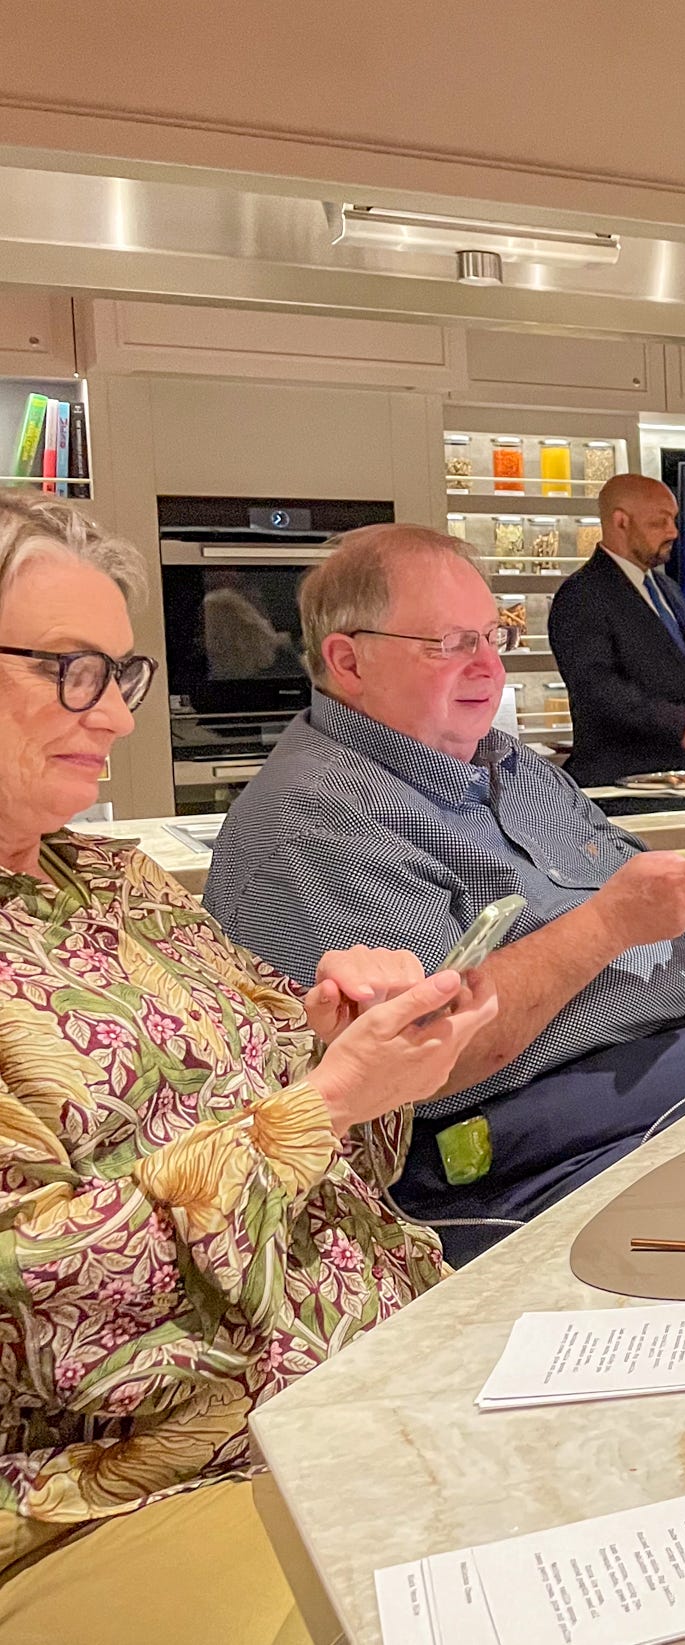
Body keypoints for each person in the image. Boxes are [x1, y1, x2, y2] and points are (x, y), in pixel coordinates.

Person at [0, 497, 499, 1644]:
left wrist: (356, 1058)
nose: (116, 718)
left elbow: (337, 1163)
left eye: (120, 674)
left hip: (373, 1371)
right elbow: (32, 1296)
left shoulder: (119, 888)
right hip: (137, 1474)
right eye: (70, 672)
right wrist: (314, 1105)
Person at [206, 526, 685, 1263]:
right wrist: (610, 923)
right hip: (503, 1166)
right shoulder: (314, 824)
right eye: (450, 642)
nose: (488, 666)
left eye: (492, 636)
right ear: (348, 660)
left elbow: (644, 918)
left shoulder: (506, 763)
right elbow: (431, 1061)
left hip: (665, 1081)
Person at [549, 473, 685, 786]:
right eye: (659, 522)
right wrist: (679, 725)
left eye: (674, 520)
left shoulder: (667, 589)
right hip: (623, 785)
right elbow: (597, 688)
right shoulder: (581, 595)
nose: (673, 532)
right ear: (620, 521)